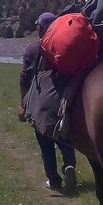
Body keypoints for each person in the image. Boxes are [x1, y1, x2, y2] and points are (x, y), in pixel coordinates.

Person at [19, 12, 78, 192]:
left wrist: (23, 105)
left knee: (45, 142)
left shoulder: (32, 49)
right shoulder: (65, 46)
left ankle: (54, 181)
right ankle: (69, 164)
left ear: (40, 28)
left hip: (41, 101)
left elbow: (24, 79)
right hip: (64, 99)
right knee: (64, 136)